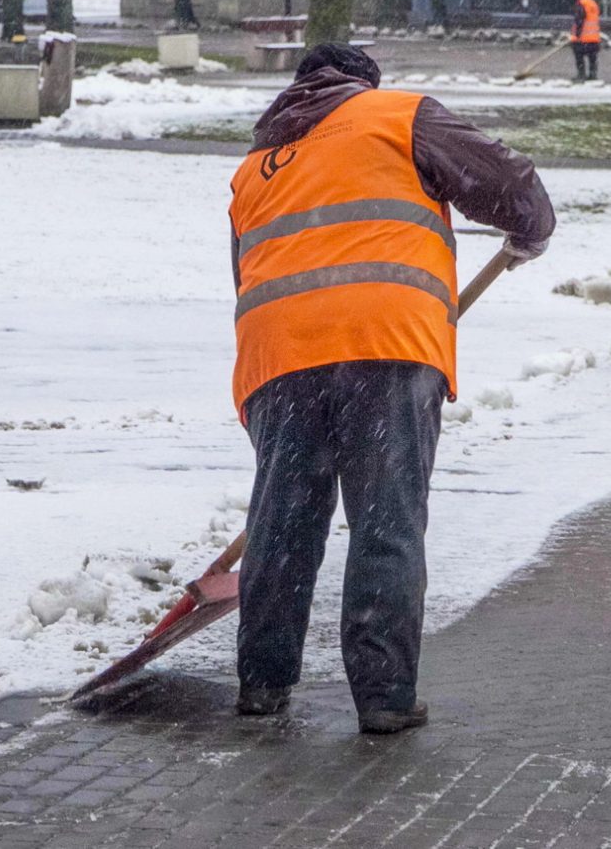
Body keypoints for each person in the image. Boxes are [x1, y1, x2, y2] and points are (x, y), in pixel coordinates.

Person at [228, 43, 555, 734]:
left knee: (284, 520)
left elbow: (249, 276)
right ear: (361, 83)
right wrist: (529, 230)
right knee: (385, 518)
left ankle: (262, 681)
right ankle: (383, 696)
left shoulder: (255, 168)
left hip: (279, 353)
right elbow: (509, 180)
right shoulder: (396, 116)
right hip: (384, 342)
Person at [570, 0, 602, 81]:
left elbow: (579, 19)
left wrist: (577, 34)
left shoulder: (581, 3)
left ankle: (581, 75)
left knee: (579, 57)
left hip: (583, 38)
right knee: (592, 58)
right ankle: (593, 75)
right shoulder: (593, 3)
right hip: (594, 37)